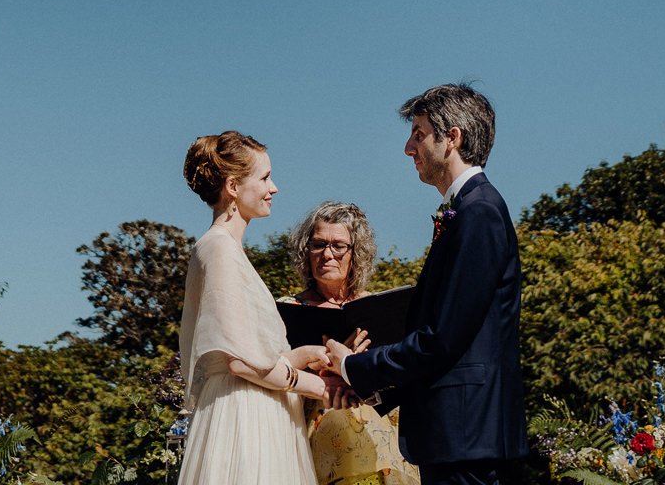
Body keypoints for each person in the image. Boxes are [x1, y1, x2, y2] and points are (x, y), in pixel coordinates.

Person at [325, 84, 526, 485]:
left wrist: (353, 366)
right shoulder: (468, 210)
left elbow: (444, 338)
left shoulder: (479, 213)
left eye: (418, 134)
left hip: (468, 439)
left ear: (452, 138)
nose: (408, 148)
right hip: (460, 437)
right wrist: (374, 390)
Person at [178, 130, 344, 485]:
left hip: (259, 409)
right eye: (265, 177)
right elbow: (239, 361)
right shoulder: (219, 249)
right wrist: (318, 387)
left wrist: (301, 354)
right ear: (234, 186)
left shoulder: (226, 250)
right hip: (245, 419)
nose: (275, 188)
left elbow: (247, 352)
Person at [281, 202, 421, 485]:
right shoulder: (287, 308)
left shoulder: (380, 309)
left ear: (357, 252)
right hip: (316, 445)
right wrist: (324, 364)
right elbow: (274, 376)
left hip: (380, 446)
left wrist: (360, 366)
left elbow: (407, 374)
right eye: (318, 244)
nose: (327, 254)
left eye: (338, 245)